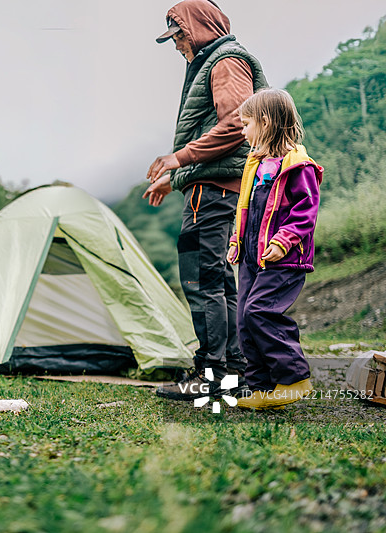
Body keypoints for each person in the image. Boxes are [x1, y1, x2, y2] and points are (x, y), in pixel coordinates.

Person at [143, 0, 268, 400]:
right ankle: (232, 371)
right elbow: (217, 128)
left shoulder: (226, 61)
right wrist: (175, 178)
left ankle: (213, 375)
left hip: (213, 190)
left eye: (178, 35)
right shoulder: (215, 63)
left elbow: (237, 122)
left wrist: (177, 159)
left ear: (198, 27)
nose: (177, 45)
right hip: (212, 185)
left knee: (202, 278)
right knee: (216, 279)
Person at [228, 88, 322, 409]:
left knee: (260, 311)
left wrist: (284, 241)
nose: (243, 131)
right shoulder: (255, 165)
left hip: (284, 260)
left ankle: (295, 377)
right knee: (244, 319)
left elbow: (305, 211)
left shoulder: (298, 165)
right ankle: (263, 389)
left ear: (265, 122)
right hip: (251, 258)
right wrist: (235, 240)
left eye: (246, 123)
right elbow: (245, 207)